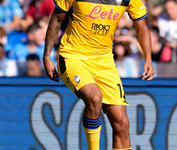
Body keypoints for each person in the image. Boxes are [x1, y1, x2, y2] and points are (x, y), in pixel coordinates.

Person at [43, 0, 154, 150]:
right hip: (73, 56)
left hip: (105, 61)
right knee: (95, 98)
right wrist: (46, 56)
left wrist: (148, 58)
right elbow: (57, 18)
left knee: (122, 123)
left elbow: (142, 28)